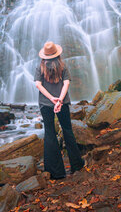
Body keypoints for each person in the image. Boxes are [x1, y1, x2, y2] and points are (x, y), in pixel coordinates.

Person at [34, 41, 85, 179]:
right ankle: (77, 165)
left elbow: (38, 85)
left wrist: (52, 99)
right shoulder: (62, 66)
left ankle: (55, 171)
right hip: (62, 103)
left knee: (49, 133)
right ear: (57, 55)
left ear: (44, 56)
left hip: (45, 104)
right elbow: (66, 83)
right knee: (67, 130)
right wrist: (60, 100)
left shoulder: (40, 67)